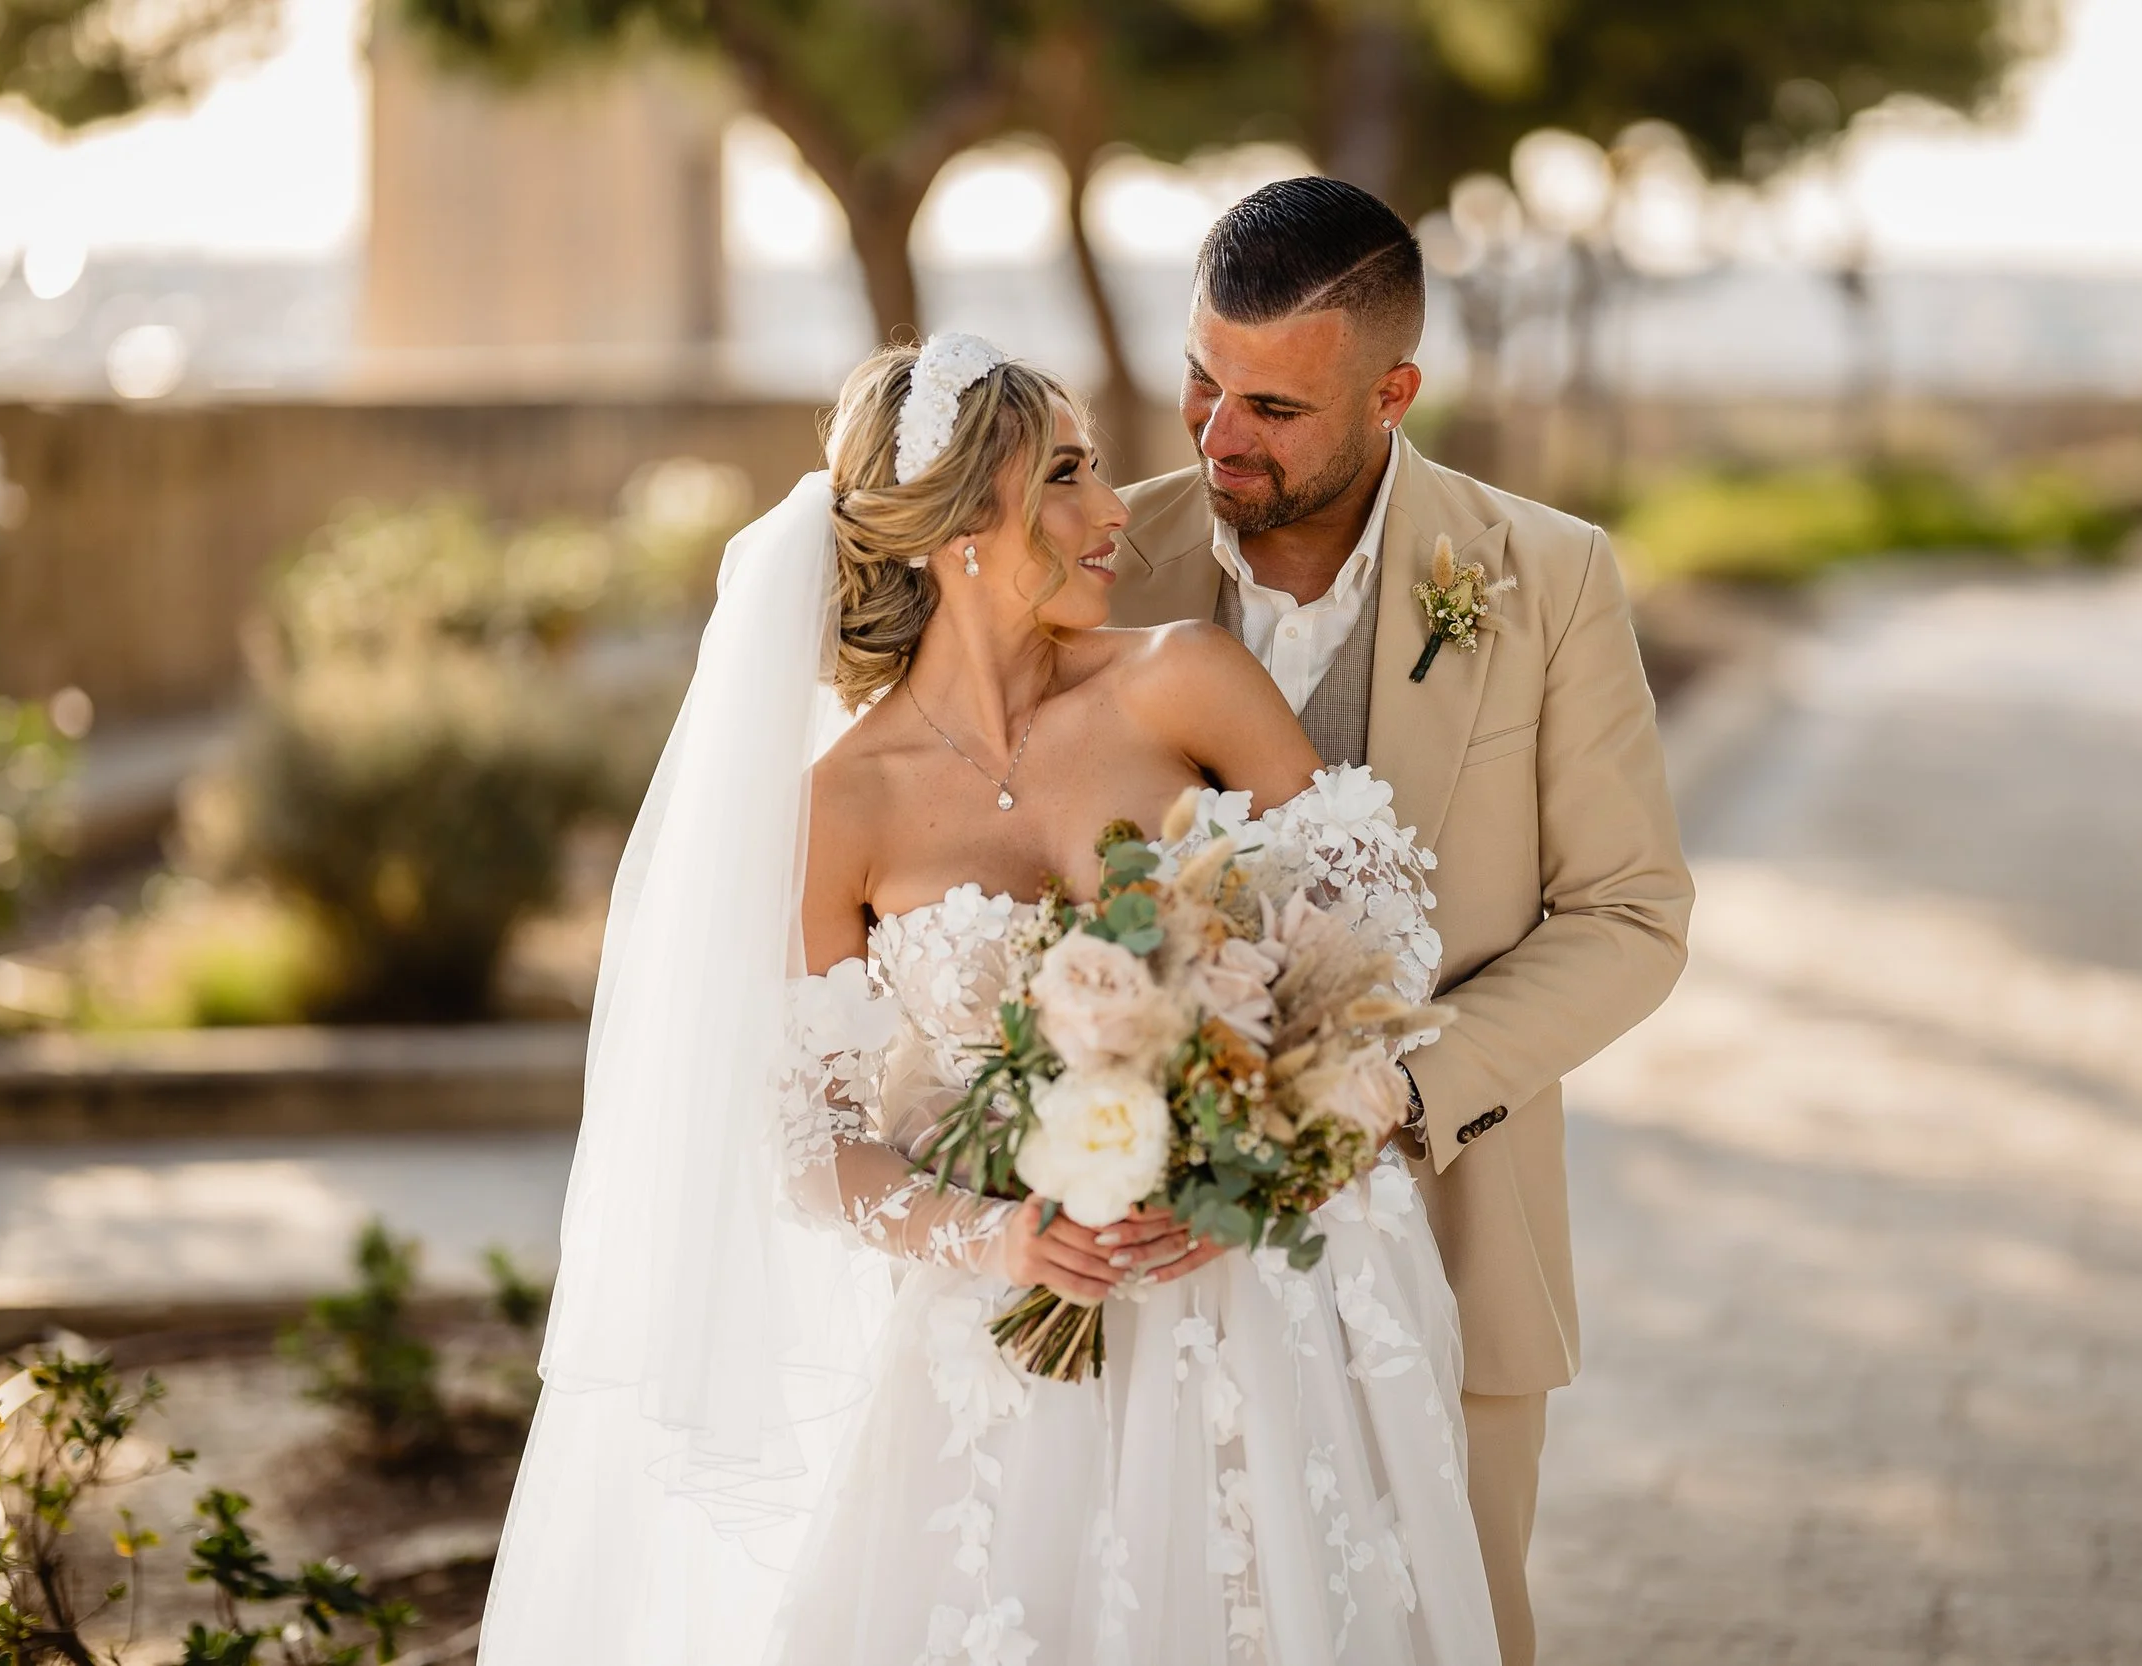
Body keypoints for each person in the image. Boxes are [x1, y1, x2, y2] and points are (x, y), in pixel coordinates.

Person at [479, 330, 1502, 1664]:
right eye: (1067, 475)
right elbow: (808, 1143)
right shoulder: (838, 810)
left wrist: (1259, 1158)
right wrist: (995, 1237)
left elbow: (1371, 956)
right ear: (961, 529)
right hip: (1017, 1348)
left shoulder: (1183, 676)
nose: (1112, 510)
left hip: (1268, 1293)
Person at [1108, 177, 1695, 1666]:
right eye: (1199, 379)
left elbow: (1632, 915)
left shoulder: (1547, 577)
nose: (1215, 432)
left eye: (1273, 406)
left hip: (1453, 1243)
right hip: (1150, 1270)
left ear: (1395, 392)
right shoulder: (1099, 566)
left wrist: (1399, 1086)